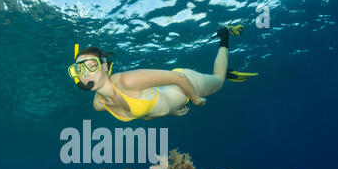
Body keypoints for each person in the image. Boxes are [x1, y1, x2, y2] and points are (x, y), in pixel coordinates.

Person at [68, 25, 258, 122]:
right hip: (175, 96)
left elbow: (178, 78)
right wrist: (170, 110)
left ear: (105, 67)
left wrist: (196, 99)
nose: (85, 73)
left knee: (218, 82)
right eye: (79, 68)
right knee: (219, 79)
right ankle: (225, 72)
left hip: (186, 84)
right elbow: (141, 112)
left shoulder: (127, 81)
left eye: (91, 65)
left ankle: (224, 35)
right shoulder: (99, 104)